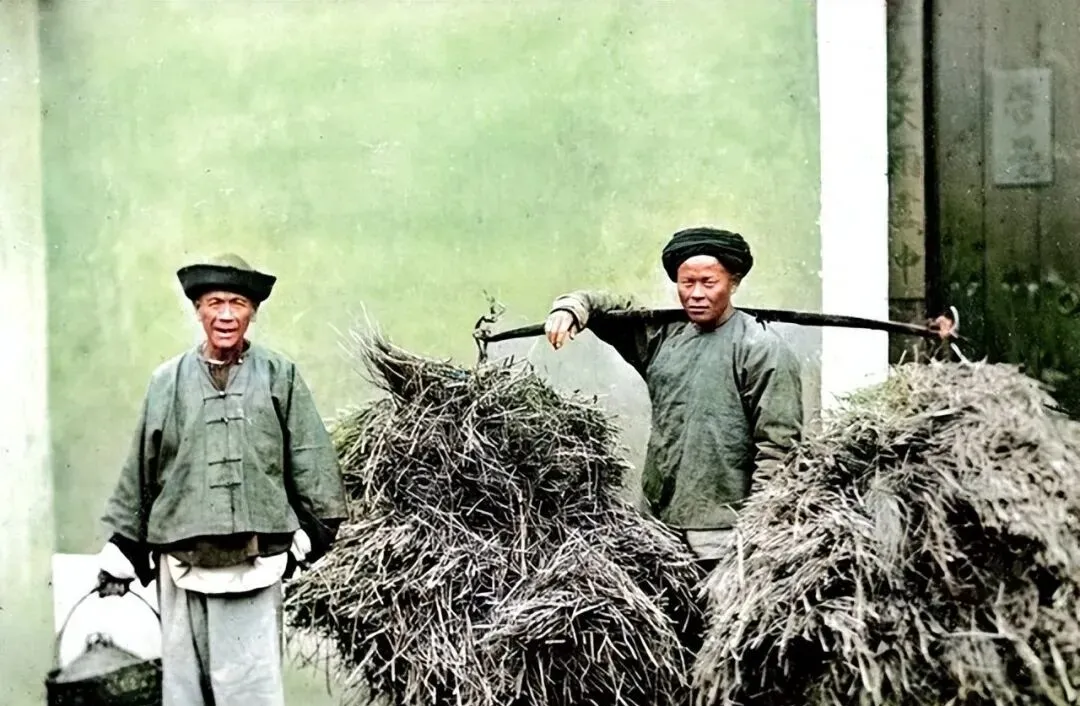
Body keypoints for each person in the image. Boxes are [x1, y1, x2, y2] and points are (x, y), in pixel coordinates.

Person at [95, 254, 348, 706]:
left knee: (250, 693)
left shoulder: (280, 376)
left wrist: (309, 536)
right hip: (181, 562)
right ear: (198, 310)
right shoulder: (166, 381)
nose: (226, 315)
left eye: (238, 303)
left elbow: (311, 461)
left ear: (253, 312)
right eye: (215, 303)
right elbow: (142, 471)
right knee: (185, 691)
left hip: (257, 563)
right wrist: (122, 554)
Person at [543, 227, 803, 567]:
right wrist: (571, 308)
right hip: (657, 525)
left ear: (734, 283)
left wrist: (758, 528)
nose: (696, 294)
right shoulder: (663, 340)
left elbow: (779, 447)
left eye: (709, 282)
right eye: (687, 283)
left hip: (725, 533)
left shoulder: (761, 348)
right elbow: (610, 310)